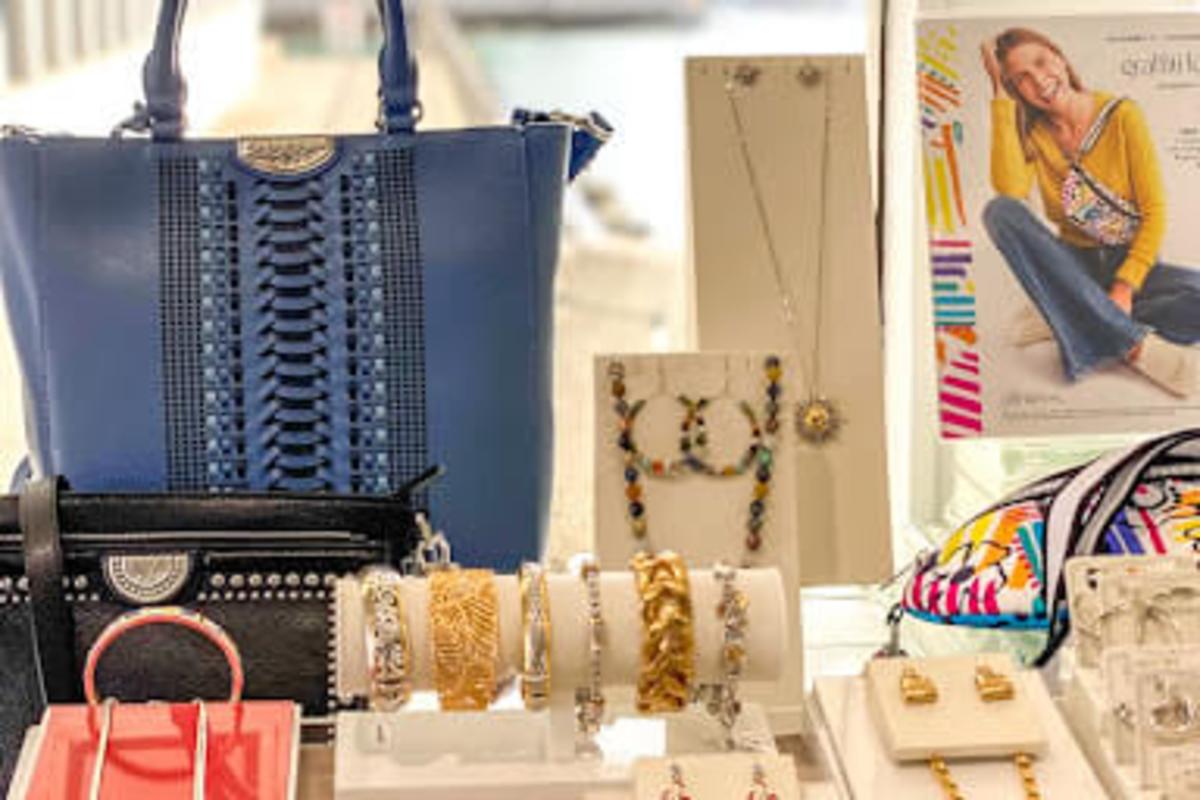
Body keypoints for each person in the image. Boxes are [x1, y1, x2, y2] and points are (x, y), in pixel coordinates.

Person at [980, 27, 1200, 397]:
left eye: (1041, 62)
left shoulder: (1122, 115)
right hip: (1073, 260)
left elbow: (1155, 211)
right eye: (1022, 80)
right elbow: (1011, 190)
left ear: (1060, 56)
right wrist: (1000, 98)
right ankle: (1134, 346)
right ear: (1018, 91)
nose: (1039, 81)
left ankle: (1067, 309)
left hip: (1131, 265)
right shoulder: (1035, 136)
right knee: (999, 211)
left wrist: (1124, 287)